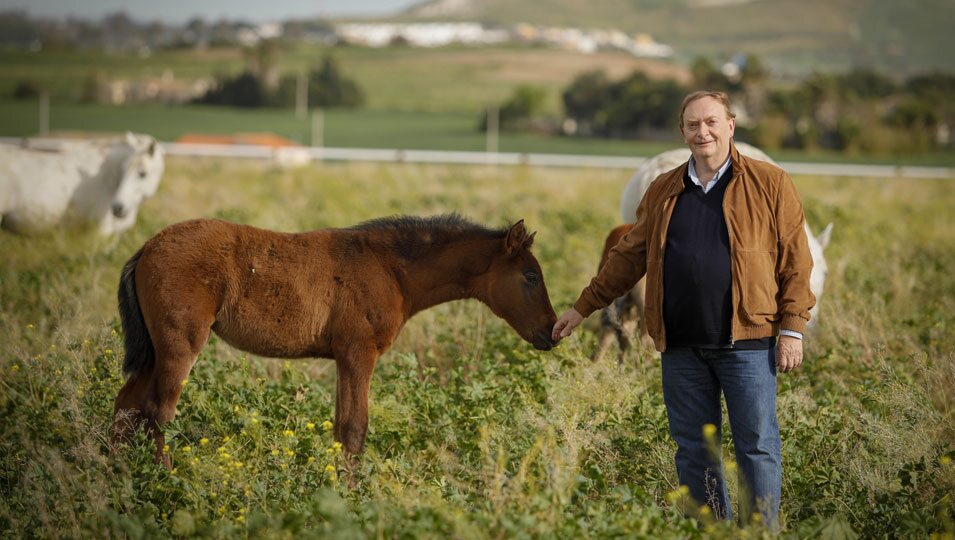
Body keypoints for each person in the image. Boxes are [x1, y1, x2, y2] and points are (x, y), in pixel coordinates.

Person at [551, 91, 815, 528]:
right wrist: (583, 308)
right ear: (683, 132)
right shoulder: (664, 189)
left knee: (756, 446)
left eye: (711, 122)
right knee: (693, 449)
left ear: (730, 126)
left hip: (747, 342)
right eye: (693, 125)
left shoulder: (771, 183)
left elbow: (796, 260)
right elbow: (628, 256)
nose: (702, 132)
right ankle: (710, 531)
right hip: (681, 347)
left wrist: (792, 328)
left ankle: (757, 534)